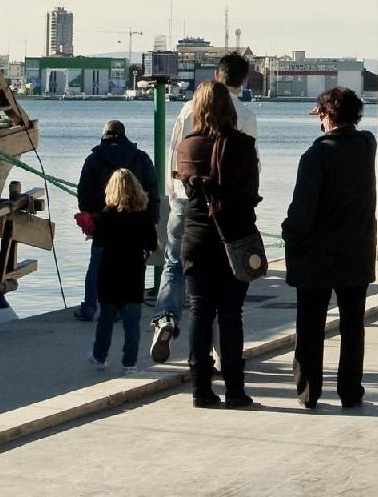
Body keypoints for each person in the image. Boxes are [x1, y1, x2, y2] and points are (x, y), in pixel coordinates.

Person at [151, 53, 259, 364]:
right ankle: (217, 346)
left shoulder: (188, 110)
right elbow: (251, 166)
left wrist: (174, 195)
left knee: (175, 264)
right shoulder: (246, 116)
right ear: (244, 79)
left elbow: (174, 153)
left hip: (186, 199)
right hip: (227, 205)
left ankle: (166, 319)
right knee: (222, 276)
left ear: (216, 74)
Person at [282, 87, 375, 410]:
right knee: (352, 326)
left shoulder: (315, 157)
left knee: (310, 326)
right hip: (356, 249)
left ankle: (309, 392)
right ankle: (350, 390)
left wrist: (289, 235)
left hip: (316, 254)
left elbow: (303, 211)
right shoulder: (367, 146)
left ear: (326, 116)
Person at [176, 81, 261, 408]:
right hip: (235, 237)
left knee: (200, 312)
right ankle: (235, 390)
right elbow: (251, 192)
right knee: (231, 314)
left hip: (197, 236)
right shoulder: (243, 146)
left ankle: (200, 387)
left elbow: (186, 191)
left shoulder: (187, 146)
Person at [75, 119, 157, 321]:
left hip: (104, 221)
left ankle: (90, 308)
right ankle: (123, 310)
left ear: (104, 134)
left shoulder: (94, 159)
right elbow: (152, 190)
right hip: (136, 222)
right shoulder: (140, 158)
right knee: (130, 267)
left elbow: (83, 192)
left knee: (97, 265)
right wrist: (151, 219)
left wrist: (90, 216)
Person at [87, 168, 158, 374]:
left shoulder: (107, 215)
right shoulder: (142, 216)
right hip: (133, 272)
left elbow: (99, 241)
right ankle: (130, 363)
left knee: (106, 318)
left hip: (109, 272)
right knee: (132, 322)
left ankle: (99, 356)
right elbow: (152, 244)